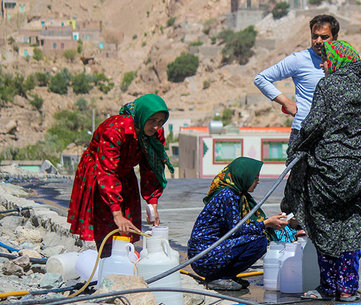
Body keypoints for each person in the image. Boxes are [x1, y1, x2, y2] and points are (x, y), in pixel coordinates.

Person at [282, 40, 361, 301]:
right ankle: (348, 288)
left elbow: (313, 125)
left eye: (325, 61)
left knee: (324, 225)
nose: (323, 66)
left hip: (328, 170)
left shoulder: (329, 85)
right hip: (359, 171)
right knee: (352, 226)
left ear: (336, 61)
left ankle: (329, 286)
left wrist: (296, 149)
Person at [67, 94, 174, 256]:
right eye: (152, 120)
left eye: (160, 122)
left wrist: (152, 205)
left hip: (124, 172)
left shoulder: (154, 135)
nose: (156, 127)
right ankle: (106, 258)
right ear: (142, 115)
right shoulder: (115, 130)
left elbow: (151, 168)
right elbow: (107, 171)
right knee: (107, 219)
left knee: (128, 221)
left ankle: (123, 256)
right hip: (100, 170)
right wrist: (116, 213)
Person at [254, 14, 361, 144]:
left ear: (335, 38)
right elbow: (261, 79)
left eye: (324, 37)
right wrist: (287, 103)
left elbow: (348, 98)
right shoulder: (299, 59)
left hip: (335, 134)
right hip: (304, 131)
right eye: (314, 36)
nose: (318, 41)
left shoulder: (343, 61)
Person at [187, 157, 290, 291]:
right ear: (244, 176)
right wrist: (266, 223)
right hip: (204, 256)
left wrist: (266, 223)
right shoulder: (227, 195)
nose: (258, 182)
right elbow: (236, 229)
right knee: (258, 242)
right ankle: (219, 278)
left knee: (257, 238)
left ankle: (224, 276)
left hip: (209, 253)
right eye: (255, 178)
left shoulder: (236, 194)